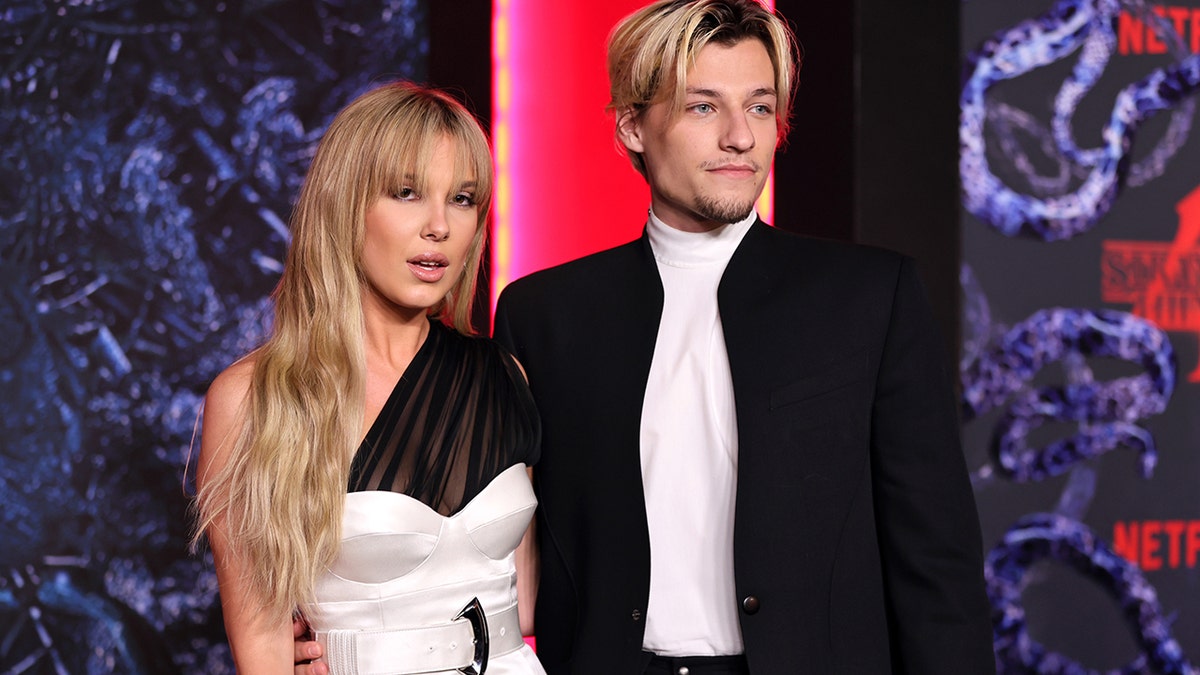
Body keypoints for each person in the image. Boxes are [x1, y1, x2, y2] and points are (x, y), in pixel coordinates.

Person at [299, 1, 995, 673]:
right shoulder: (546, 315)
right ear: (633, 126)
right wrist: (341, 632)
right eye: (703, 107)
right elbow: (484, 547)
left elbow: (936, 564)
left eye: (758, 105)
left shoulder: (868, 298)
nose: (740, 137)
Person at [195, 81, 546, 674]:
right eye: (407, 193)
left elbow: (532, 599)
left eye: (462, 199)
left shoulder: (502, 375)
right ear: (344, 205)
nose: (439, 225)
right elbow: (263, 652)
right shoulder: (257, 399)